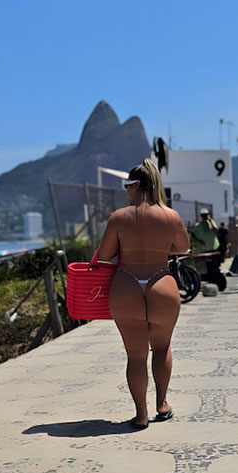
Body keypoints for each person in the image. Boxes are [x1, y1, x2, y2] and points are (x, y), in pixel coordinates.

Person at [96, 160, 190, 429]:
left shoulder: (119, 217)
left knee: (136, 356)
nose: (126, 191)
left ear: (136, 186)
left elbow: (104, 255)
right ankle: (162, 404)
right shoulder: (171, 216)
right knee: (161, 347)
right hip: (161, 283)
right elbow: (183, 248)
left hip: (126, 285)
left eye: (127, 186)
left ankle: (140, 414)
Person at [190, 209, 225, 291]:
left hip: (214, 248)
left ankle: (216, 279)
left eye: (206, 215)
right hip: (205, 250)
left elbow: (217, 230)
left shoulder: (212, 224)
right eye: (203, 216)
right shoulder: (198, 226)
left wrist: (210, 221)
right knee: (206, 267)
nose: (205, 217)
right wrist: (199, 240)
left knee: (215, 265)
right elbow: (193, 233)